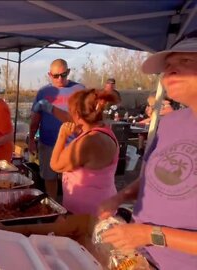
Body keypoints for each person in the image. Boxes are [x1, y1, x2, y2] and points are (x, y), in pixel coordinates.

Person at [99, 30, 197, 270]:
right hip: (139, 260)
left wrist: (152, 235)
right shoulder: (171, 122)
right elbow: (154, 179)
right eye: (168, 64)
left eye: (186, 61)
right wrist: (120, 196)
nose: (171, 70)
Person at [50, 89, 120, 215]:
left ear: (76, 114)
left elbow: (55, 165)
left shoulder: (87, 142)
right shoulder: (106, 132)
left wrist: (62, 135)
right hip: (105, 205)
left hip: (84, 213)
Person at [29, 59, 85, 200]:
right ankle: (53, 205)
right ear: (49, 74)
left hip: (72, 144)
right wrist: (31, 139)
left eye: (63, 74)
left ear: (69, 72)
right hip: (48, 143)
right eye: (56, 76)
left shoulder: (79, 90)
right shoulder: (43, 92)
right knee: (49, 176)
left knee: (71, 178)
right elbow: (35, 118)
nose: (60, 78)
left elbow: (86, 118)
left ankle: (70, 205)